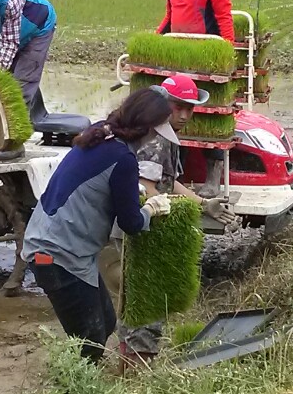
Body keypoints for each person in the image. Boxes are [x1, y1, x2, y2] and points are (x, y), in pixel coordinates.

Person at [21, 89, 176, 363]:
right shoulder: (123, 158)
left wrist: (132, 192)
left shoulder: (101, 132)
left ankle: (83, 373)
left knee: (105, 322)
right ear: (148, 128)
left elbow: (100, 183)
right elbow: (131, 223)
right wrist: (150, 209)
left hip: (64, 247)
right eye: (156, 132)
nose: (155, 139)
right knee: (89, 342)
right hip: (55, 255)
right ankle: (73, 382)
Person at [113, 74, 237, 369]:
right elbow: (146, 188)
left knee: (135, 301)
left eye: (189, 108)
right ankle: (136, 370)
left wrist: (203, 204)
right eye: (177, 106)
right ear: (162, 104)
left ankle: (129, 364)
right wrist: (177, 218)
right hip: (141, 229)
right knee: (146, 302)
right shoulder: (155, 138)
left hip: (144, 223)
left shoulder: (164, 132)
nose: (183, 114)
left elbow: (167, 181)